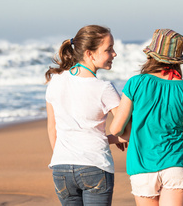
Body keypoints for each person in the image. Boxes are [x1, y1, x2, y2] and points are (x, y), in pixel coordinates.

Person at [110, 29, 183, 206]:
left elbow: (116, 128)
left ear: (151, 56)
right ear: (177, 60)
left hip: (142, 168)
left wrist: (128, 133)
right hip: (175, 165)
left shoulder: (136, 83)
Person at [45, 25, 127, 206]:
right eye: (109, 49)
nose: (114, 54)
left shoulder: (55, 82)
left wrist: (65, 156)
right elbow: (127, 130)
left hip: (61, 167)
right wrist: (111, 139)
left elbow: (52, 127)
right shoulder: (104, 88)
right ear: (90, 54)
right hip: (94, 165)